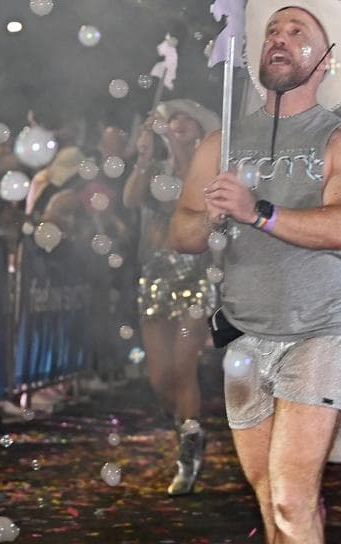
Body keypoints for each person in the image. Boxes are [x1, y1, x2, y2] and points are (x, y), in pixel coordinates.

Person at [171, 0, 341, 542]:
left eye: (297, 32)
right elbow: (181, 232)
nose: (279, 39)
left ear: (326, 60)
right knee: (268, 495)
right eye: (272, 31)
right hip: (243, 337)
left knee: (290, 499)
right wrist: (213, 218)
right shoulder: (220, 143)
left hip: (317, 333)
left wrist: (256, 210)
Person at [122, 98, 219, 495]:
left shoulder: (208, 173)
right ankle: (188, 431)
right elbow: (129, 200)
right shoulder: (156, 172)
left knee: (183, 366)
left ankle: (187, 453)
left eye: (186, 119)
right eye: (172, 119)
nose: (178, 123)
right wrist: (144, 157)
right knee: (160, 378)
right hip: (155, 277)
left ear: (199, 130)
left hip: (196, 276)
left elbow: (198, 210)